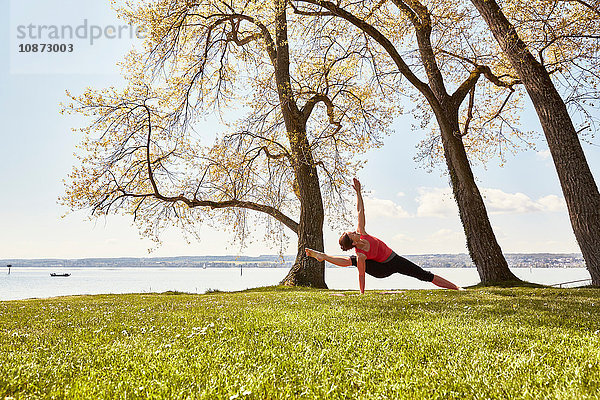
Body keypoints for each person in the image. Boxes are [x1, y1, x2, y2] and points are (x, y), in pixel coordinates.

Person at [305, 178, 460, 294]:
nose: (353, 230)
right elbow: (361, 275)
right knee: (354, 261)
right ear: (352, 241)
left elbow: (360, 211)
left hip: (394, 260)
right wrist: (362, 293)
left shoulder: (362, 231)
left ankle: (457, 287)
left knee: (424, 275)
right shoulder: (360, 254)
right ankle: (323, 256)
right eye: (350, 233)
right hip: (380, 270)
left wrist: (358, 192)